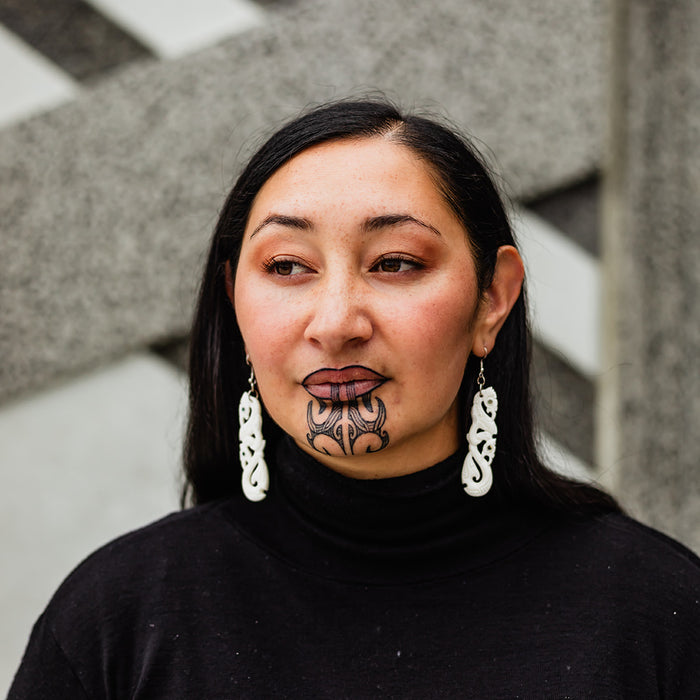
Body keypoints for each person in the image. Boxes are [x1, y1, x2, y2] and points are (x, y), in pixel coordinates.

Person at [9, 100, 700, 698]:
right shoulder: (118, 617)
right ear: (235, 303)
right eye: (287, 267)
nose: (337, 322)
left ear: (493, 298)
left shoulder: (653, 613)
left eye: (395, 263)